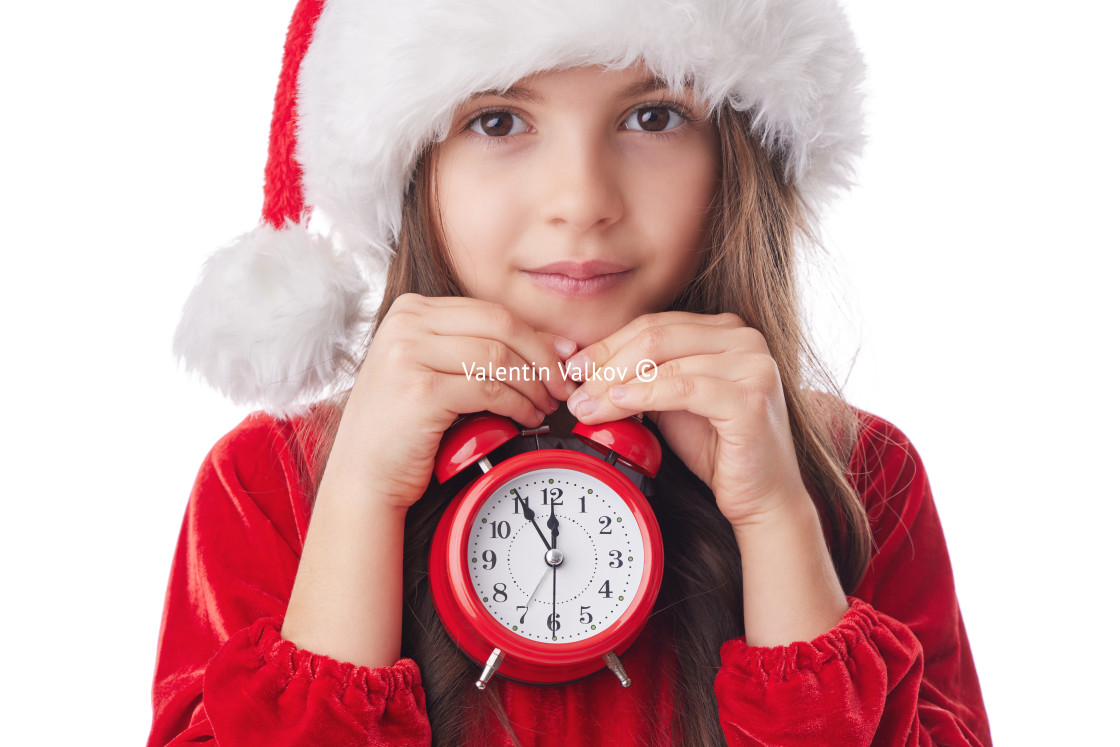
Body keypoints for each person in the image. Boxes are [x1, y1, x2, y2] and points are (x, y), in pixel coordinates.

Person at [150, 0, 991, 744]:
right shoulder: (268, 487)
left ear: (738, 154)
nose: (581, 198)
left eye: (655, 116)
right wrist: (359, 501)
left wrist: (776, 520)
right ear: (414, 166)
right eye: (498, 121)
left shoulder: (857, 476)